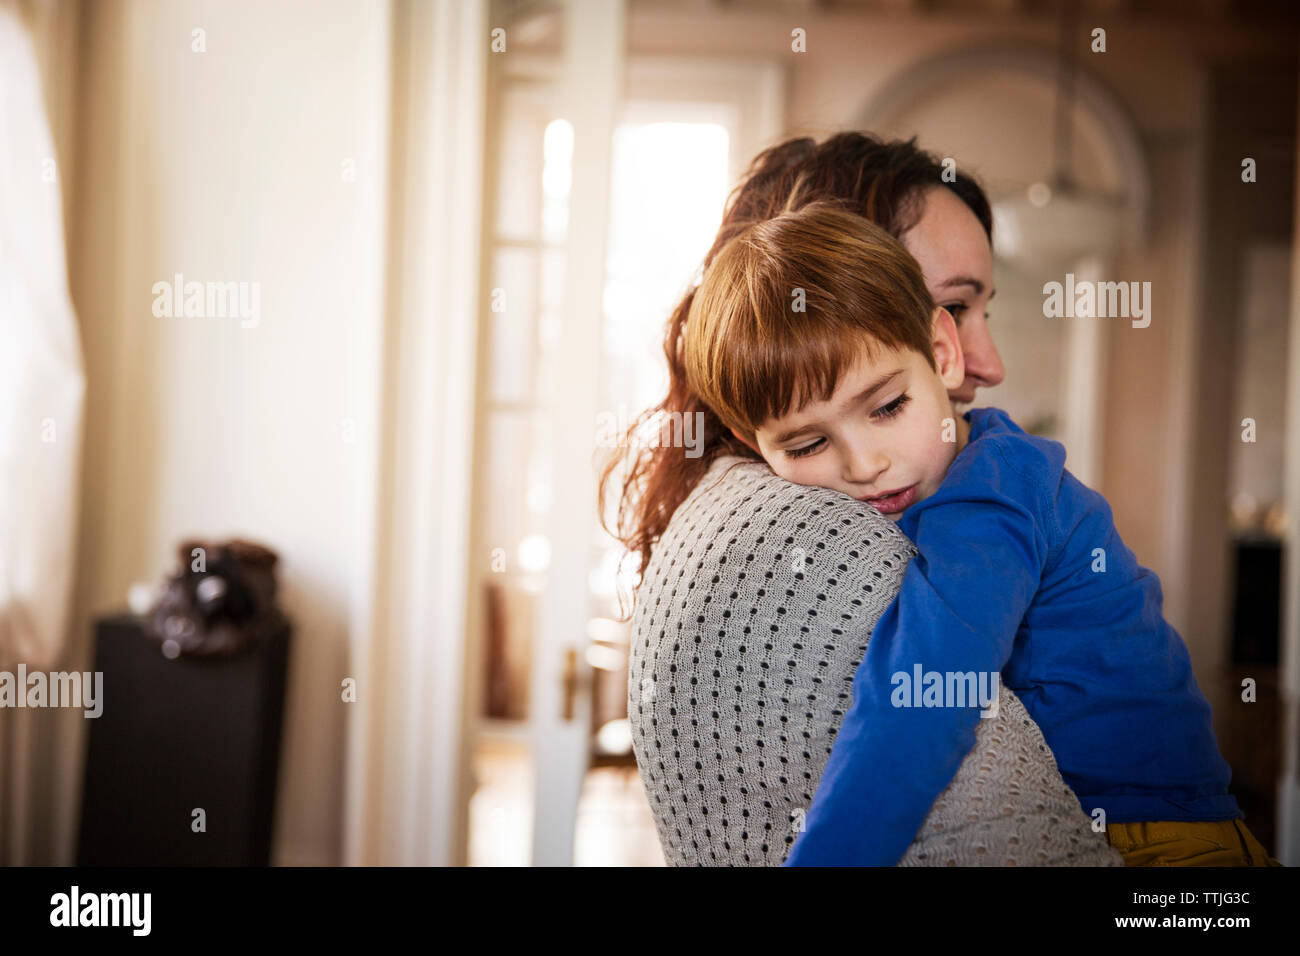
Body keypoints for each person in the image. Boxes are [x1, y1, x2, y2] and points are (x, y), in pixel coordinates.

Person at [677, 198, 1276, 867]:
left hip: (1164, 838)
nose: (865, 464)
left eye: (888, 406)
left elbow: (924, 694)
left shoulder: (994, 495)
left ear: (943, 353)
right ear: (751, 446)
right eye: (808, 443)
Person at [607, 133, 1124, 866]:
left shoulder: (981, 486)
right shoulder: (824, 536)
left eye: (981, 310)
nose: (990, 365)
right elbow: (923, 708)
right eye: (949, 304)